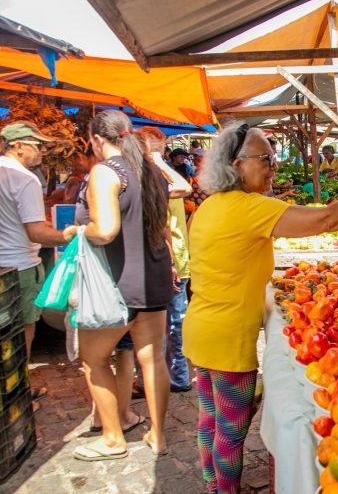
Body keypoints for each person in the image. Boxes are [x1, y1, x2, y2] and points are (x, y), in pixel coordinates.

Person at [183, 123, 338, 493]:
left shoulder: (210, 206)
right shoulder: (248, 207)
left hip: (201, 328)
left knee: (210, 420)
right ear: (237, 165)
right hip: (227, 338)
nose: (273, 167)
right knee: (230, 431)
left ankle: (212, 484)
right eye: (265, 160)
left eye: (274, 159)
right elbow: (326, 219)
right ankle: (222, 491)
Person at [73, 109, 172, 461]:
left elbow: (106, 230)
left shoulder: (105, 171)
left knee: (93, 360)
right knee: (153, 359)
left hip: (117, 282)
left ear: (98, 140)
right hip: (153, 276)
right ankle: (158, 437)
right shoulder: (150, 170)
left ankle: (113, 437)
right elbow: (163, 227)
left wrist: (77, 230)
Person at [0, 121, 77, 410]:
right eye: (37, 145)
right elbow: (36, 232)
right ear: (18, 146)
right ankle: (16, 395)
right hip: (20, 266)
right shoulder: (25, 179)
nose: (43, 151)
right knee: (21, 333)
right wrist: (66, 234)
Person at [140, 127, 193, 393]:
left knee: (176, 321)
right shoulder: (145, 179)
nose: (158, 152)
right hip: (159, 259)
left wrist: (160, 161)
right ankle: (155, 378)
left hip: (177, 259)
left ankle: (178, 377)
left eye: (159, 147)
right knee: (158, 324)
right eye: (155, 147)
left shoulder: (166, 178)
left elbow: (185, 188)